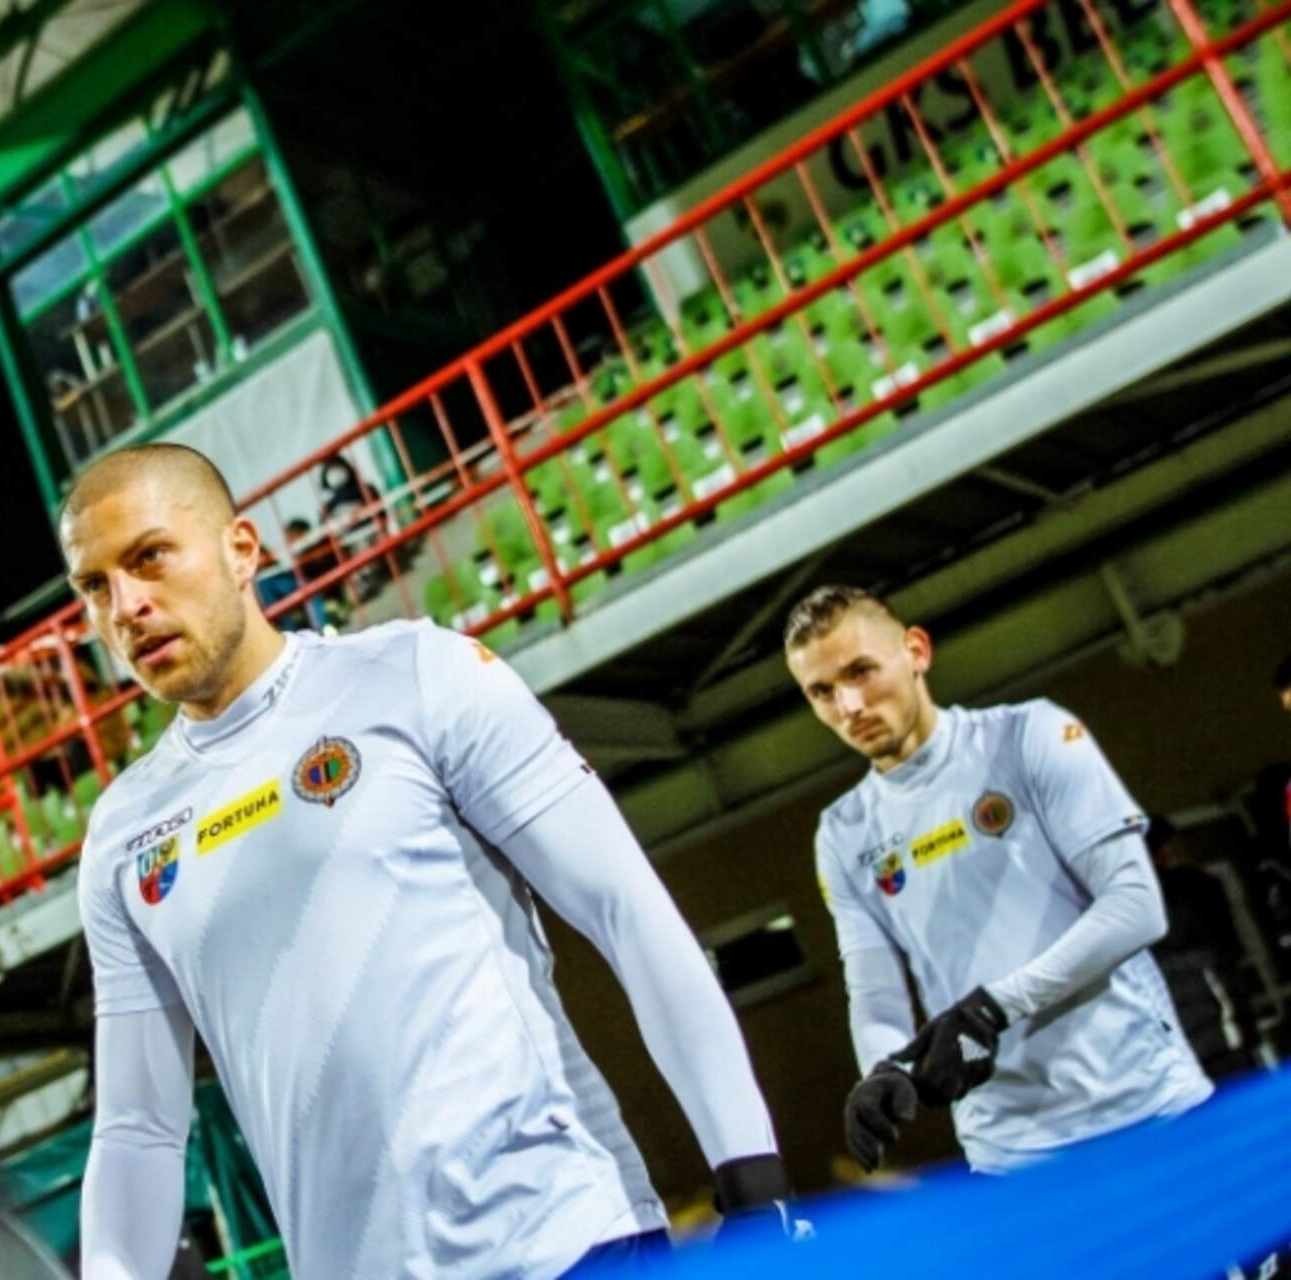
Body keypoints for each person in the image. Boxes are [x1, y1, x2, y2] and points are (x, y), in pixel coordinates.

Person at [62, 442, 798, 1280]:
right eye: (94, 587)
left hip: (564, 1243)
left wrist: (751, 1174)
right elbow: (139, 1127)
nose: (126, 606)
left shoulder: (416, 675)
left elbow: (624, 911)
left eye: (150, 557)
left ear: (241, 550)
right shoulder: (125, 834)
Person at [782, 584, 1211, 1176]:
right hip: (1009, 1155)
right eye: (822, 692)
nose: (849, 705)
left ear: (916, 651)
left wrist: (993, 1009)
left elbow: (1136, 906)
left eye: (861, 672)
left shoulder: (1030, 735)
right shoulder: (842, 833)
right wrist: (883, 1068)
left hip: (1148, 1105)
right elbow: (875, 989)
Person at [1145, 817, 1256, 1079]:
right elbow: (1226, 948)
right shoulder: (1194, 888)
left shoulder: (1139, 903)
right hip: (1214, 1011)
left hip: (1187, 1024)